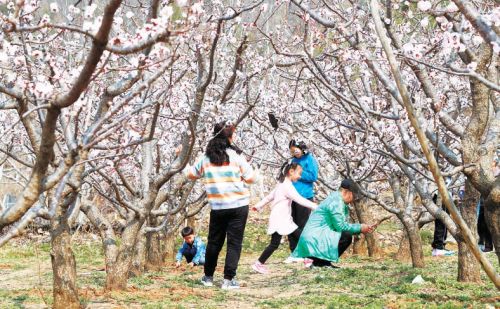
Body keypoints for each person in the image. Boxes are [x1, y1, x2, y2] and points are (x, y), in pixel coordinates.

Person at [186, 121, 256, 289]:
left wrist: (181, 159)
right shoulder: (236, 158)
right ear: (229, 138)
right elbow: (251, 178)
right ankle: (228, 280)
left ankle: (208, 277)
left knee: (214, 242)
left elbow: (190, 175)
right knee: (234, 243)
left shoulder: (205, 159)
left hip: (218, 207)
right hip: (238, 206)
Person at [250, 162, 318, 274]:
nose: (300, 176)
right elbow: (300, 199)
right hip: (282, 219)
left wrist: (258, 206)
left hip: (281, 218)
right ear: (291, 172)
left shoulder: (281, 185)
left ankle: (307, 259)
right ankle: (307, 259)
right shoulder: (287, 186)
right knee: (298, 237)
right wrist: (316, 207)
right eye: (299, 173)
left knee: (276, 243)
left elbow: (268, 198)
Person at [292, 179, 375, 268]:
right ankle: (321, 263)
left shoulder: (336, 198)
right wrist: (360, 228)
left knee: (344, 234)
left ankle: (319, 262)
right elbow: (340, 226)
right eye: (353, 196)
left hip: (315, 237)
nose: (353, 200)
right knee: (346, 236)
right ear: (348, 192)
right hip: (314, 239)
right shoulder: (337, 202)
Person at [284, 139, 319, 264]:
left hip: (304, 195)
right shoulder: (293, 161)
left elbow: (313, 176)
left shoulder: (309, 159)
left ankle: (305, 253)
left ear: (302, 148)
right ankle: (294, 252)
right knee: (291, 224)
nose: (294, 153)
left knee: (302, 225)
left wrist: (298, 173)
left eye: (296, 150)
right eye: (292, 151)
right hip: (291, 195)